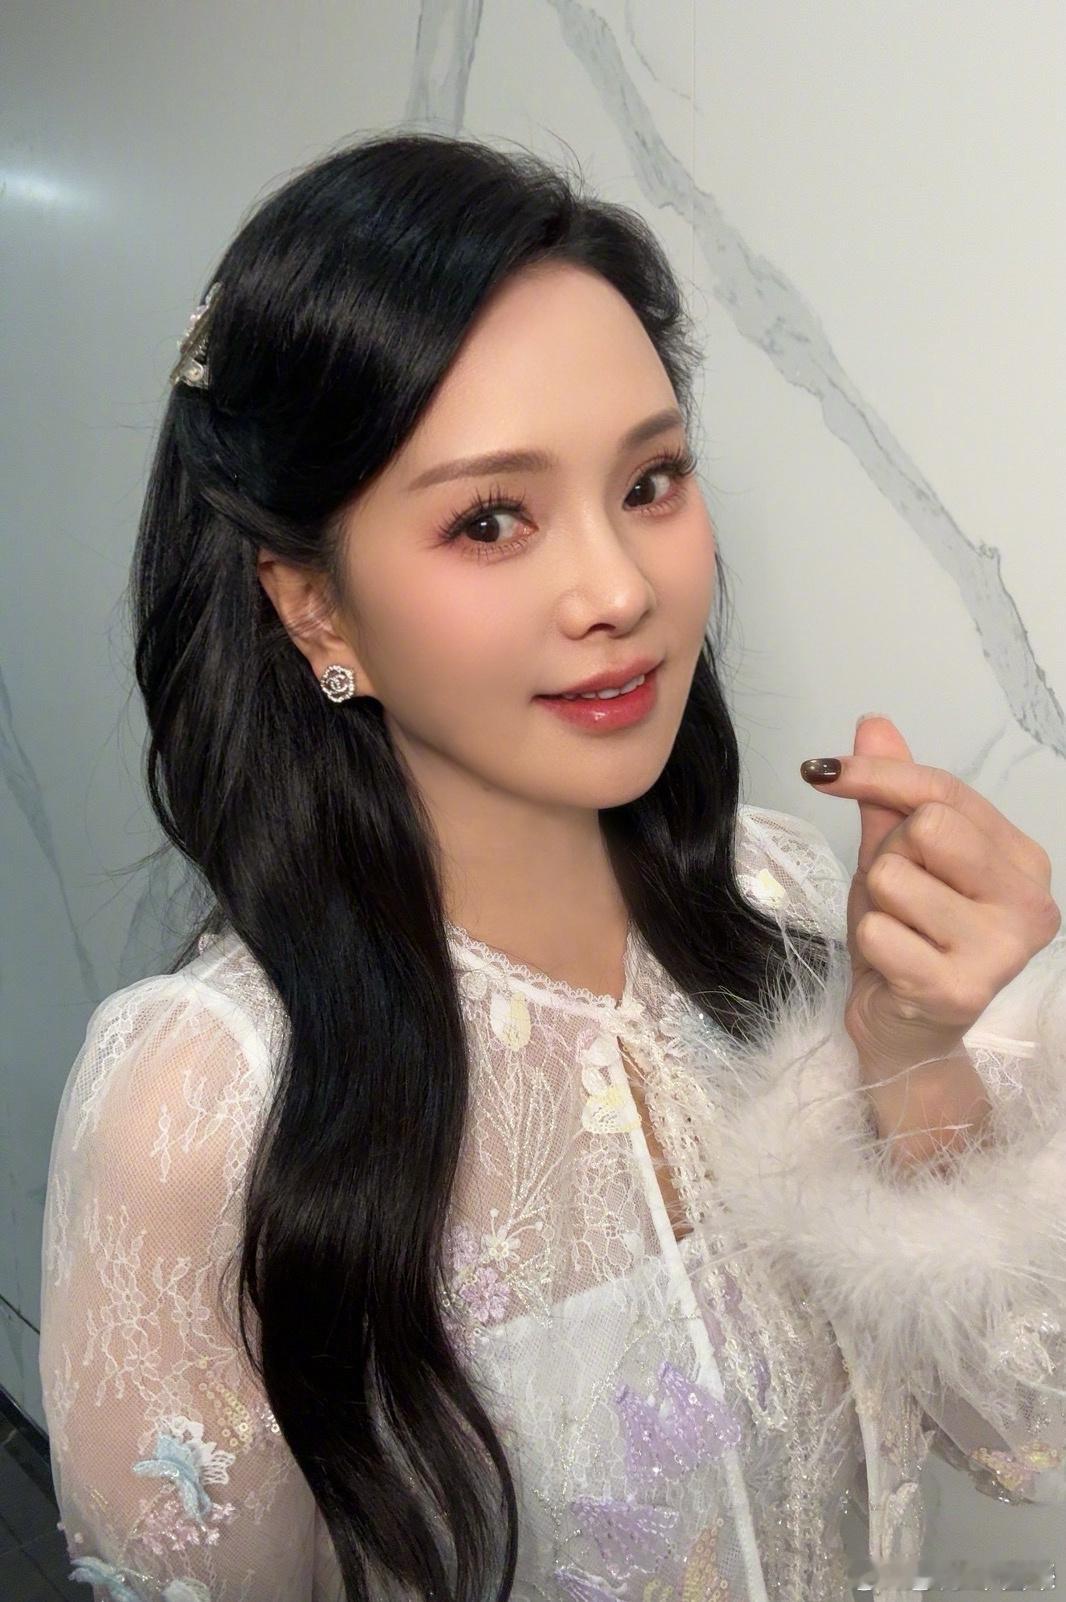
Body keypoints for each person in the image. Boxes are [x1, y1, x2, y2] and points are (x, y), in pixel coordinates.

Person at [38, 131, 1066, 1602]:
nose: (620, 589)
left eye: (651, 481)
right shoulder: (196, 1104)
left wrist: (910, 1054)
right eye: (490, 519)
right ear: (314, 604)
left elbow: (1010, 1431)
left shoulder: (772, 902)